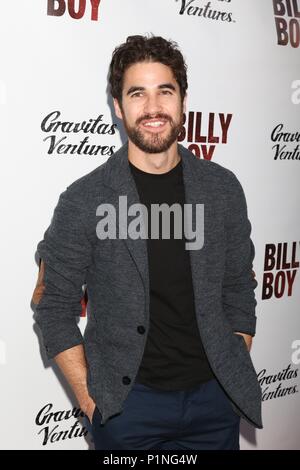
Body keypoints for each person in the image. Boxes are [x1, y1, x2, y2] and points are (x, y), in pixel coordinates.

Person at [31, 34, 262, 450]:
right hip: (127, 410)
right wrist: (90, 398)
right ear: (118, 108)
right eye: (137, 93)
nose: (153, 108)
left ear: (183, 101)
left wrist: (231, 362)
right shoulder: (85, 199)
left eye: (165, 92)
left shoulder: (223, 190)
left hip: (214, 404)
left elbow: (238, 290)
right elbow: (54, 308)